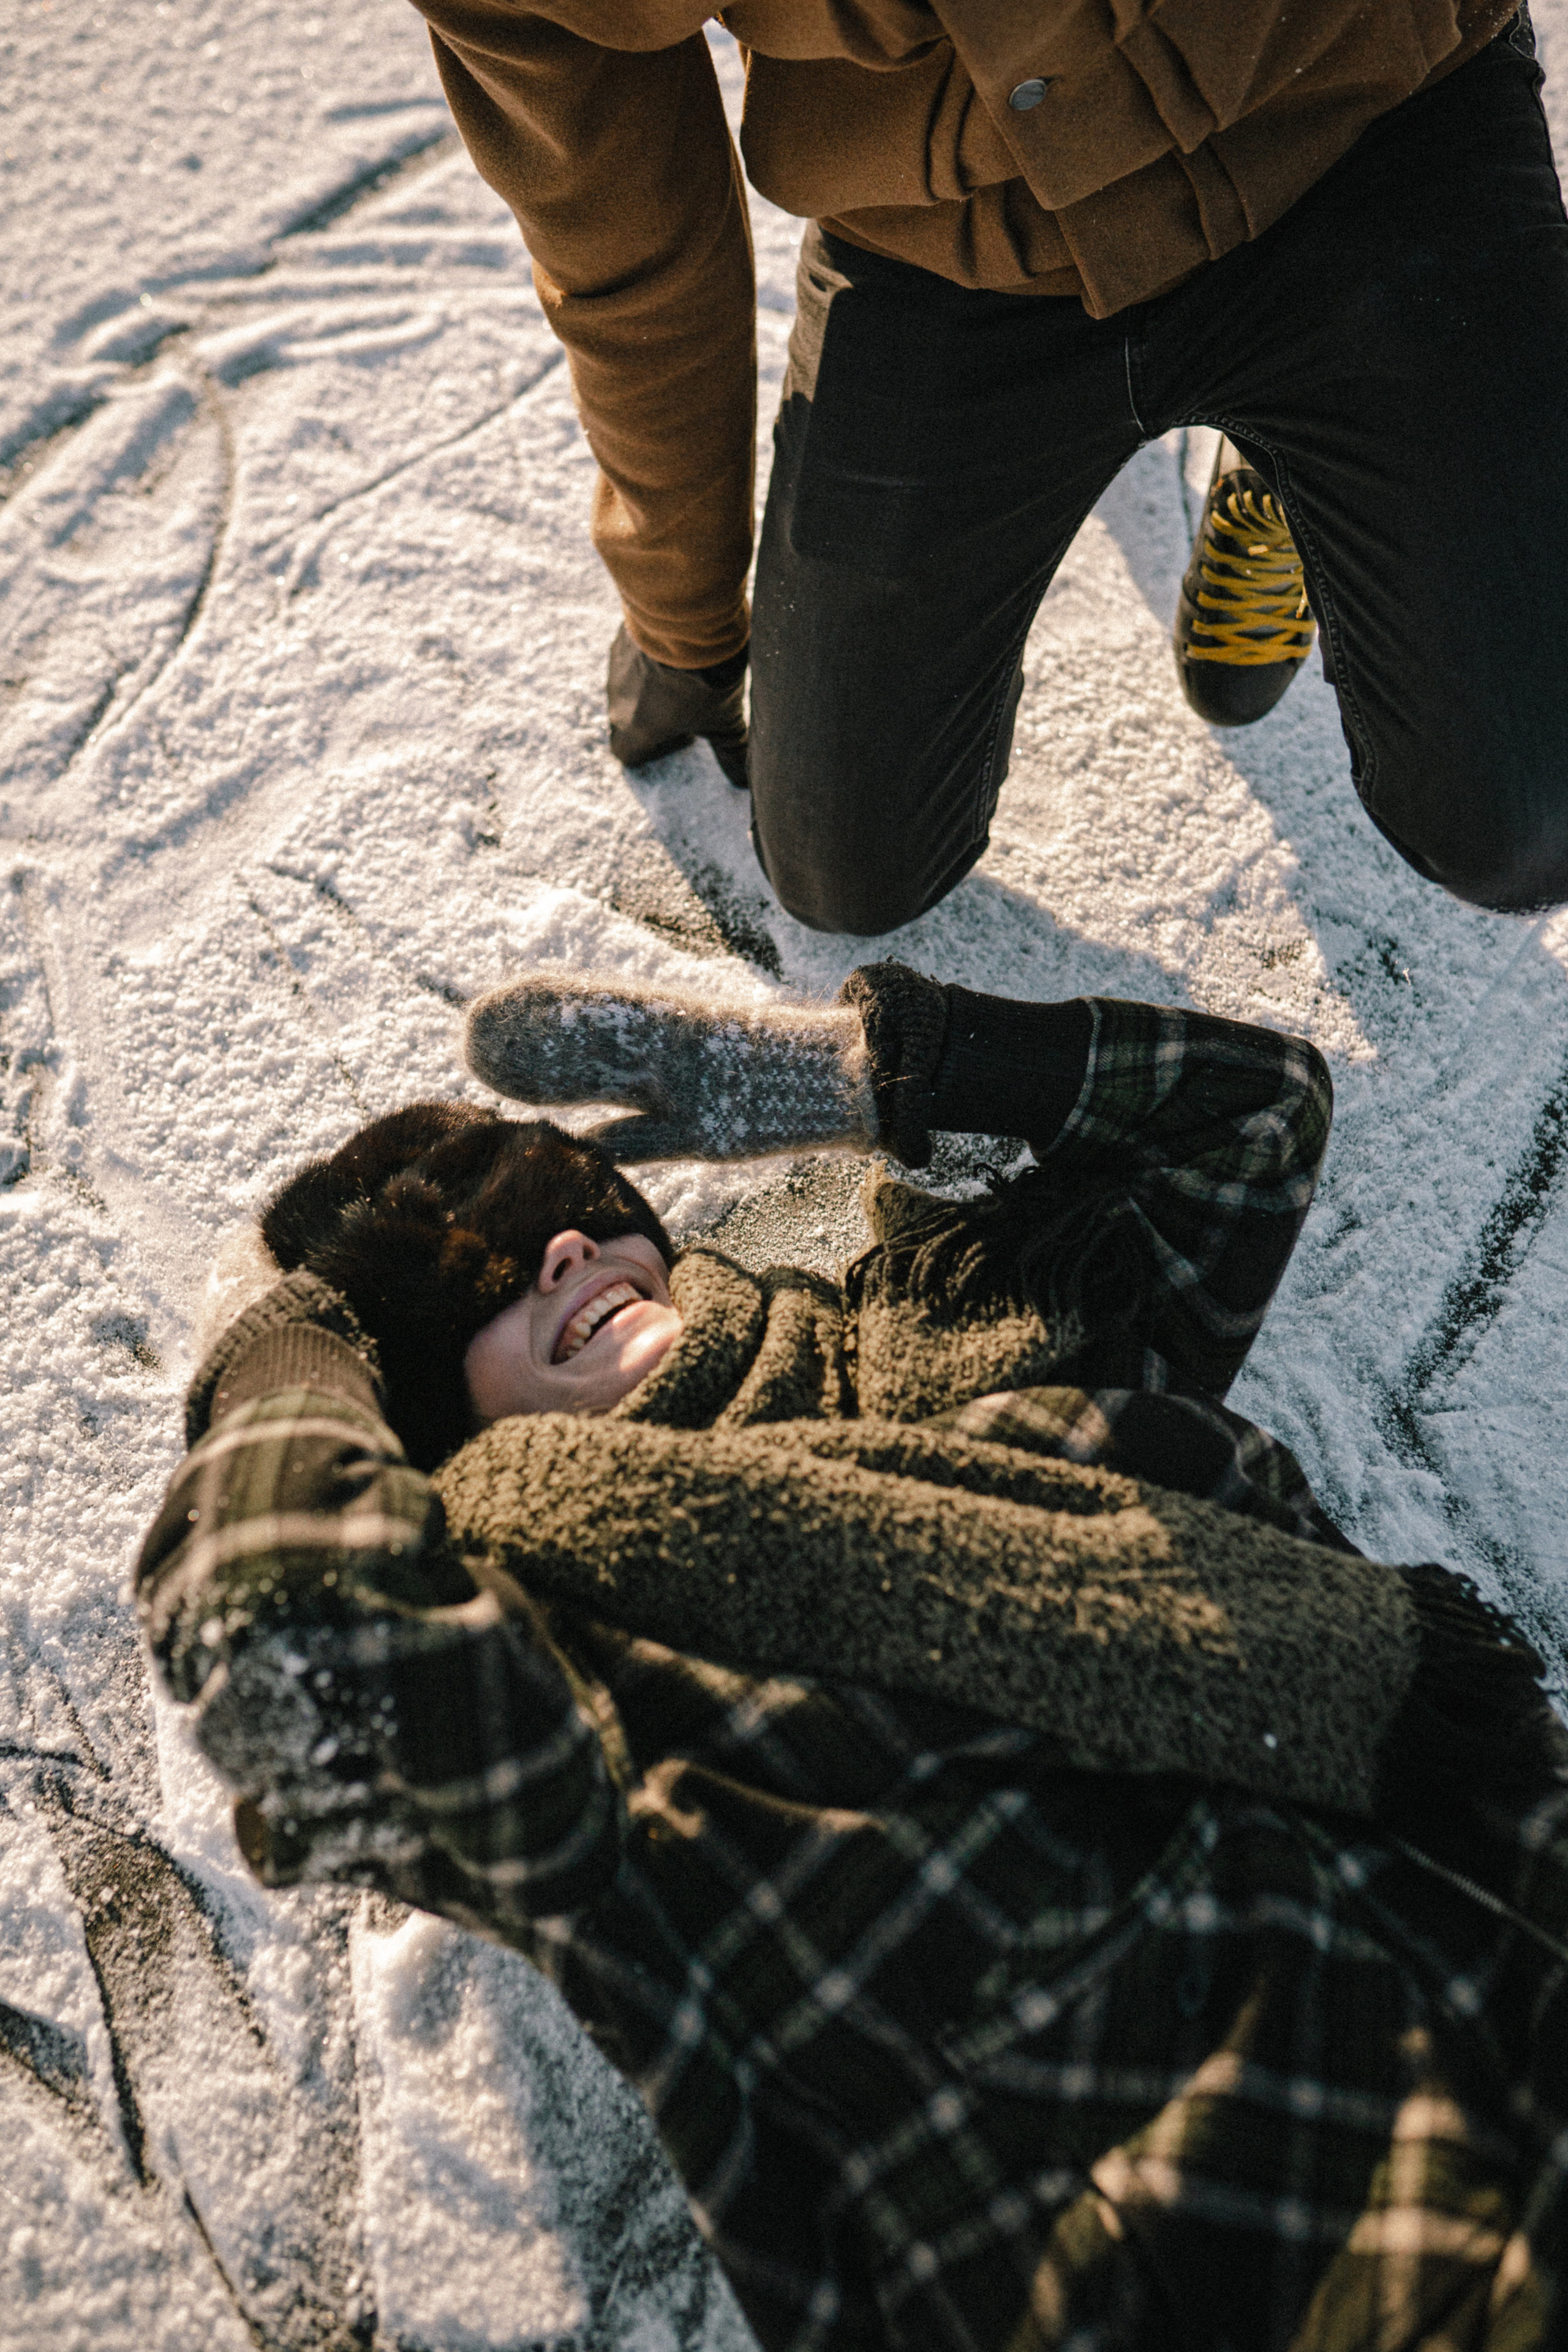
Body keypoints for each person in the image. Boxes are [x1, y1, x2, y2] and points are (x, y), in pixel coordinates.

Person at [139, 962, 1568, 2350]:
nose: (561, 1253)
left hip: (1509, 1918)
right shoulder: (559, 1655)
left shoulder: (936, 1335)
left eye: (559, 1211)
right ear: (417, 1433)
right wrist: (288, 1353)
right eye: (466, 1294)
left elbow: (1251, 1116)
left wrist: (865, 1078)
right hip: (1279, 2249)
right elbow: (288, 1636)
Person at [401, 2, 1568, 933]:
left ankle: (1296, 479)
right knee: (844, 873)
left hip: (1362, 125)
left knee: (1532, 825)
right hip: (964, 251)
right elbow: (630, 256)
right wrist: (684, 620)